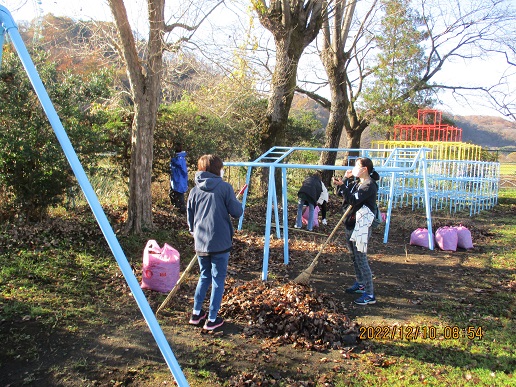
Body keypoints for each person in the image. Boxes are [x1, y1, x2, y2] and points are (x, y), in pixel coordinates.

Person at [186, 154, 243, 330]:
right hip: (220, 242)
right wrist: (238, 202)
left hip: (201, 243)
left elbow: (190, 219)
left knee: (204, 276)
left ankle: (196, 314)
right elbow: (236, 212)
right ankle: (212, 319)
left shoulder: (194, 191)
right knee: (218, 279)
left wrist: (195, 233)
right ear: (218, 169)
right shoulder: (225, 188)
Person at [334, 157, 380, 305]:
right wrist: (344, 181)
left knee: (361, 259)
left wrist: (344, 186)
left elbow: (354, 200)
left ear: (365, 169)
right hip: (350, 224)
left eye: (357, 166)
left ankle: (369, 293)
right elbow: (342, 195)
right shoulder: (357, 183)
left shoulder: (369, 185)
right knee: (354, 256)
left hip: (361, 226)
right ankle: (360, 283)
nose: (354, 168)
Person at [169, 142, 188, 214]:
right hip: (176, 180)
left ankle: (182, 211)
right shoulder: (178, 157)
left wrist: (173, 160)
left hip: (179, 181)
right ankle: (176, 208)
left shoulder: (180, 158)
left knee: (179, 196)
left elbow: (180, 166)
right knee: (173, 194)